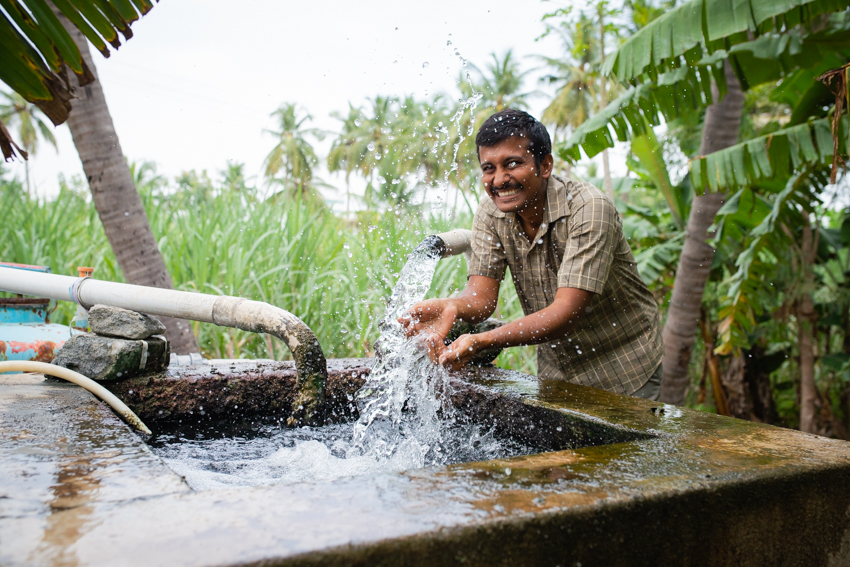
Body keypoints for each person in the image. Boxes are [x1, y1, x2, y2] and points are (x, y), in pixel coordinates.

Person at [400, 109, 663, 400]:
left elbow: (567, 312)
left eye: (512, 164)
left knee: (624, 446)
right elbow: (481, 298)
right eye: (489, 168)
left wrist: (482, 341)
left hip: (625, 365)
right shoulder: (491, 212)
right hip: (557, 370)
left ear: (545, 165)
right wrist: (451, 307)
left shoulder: (589, 209)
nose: (499, 179)